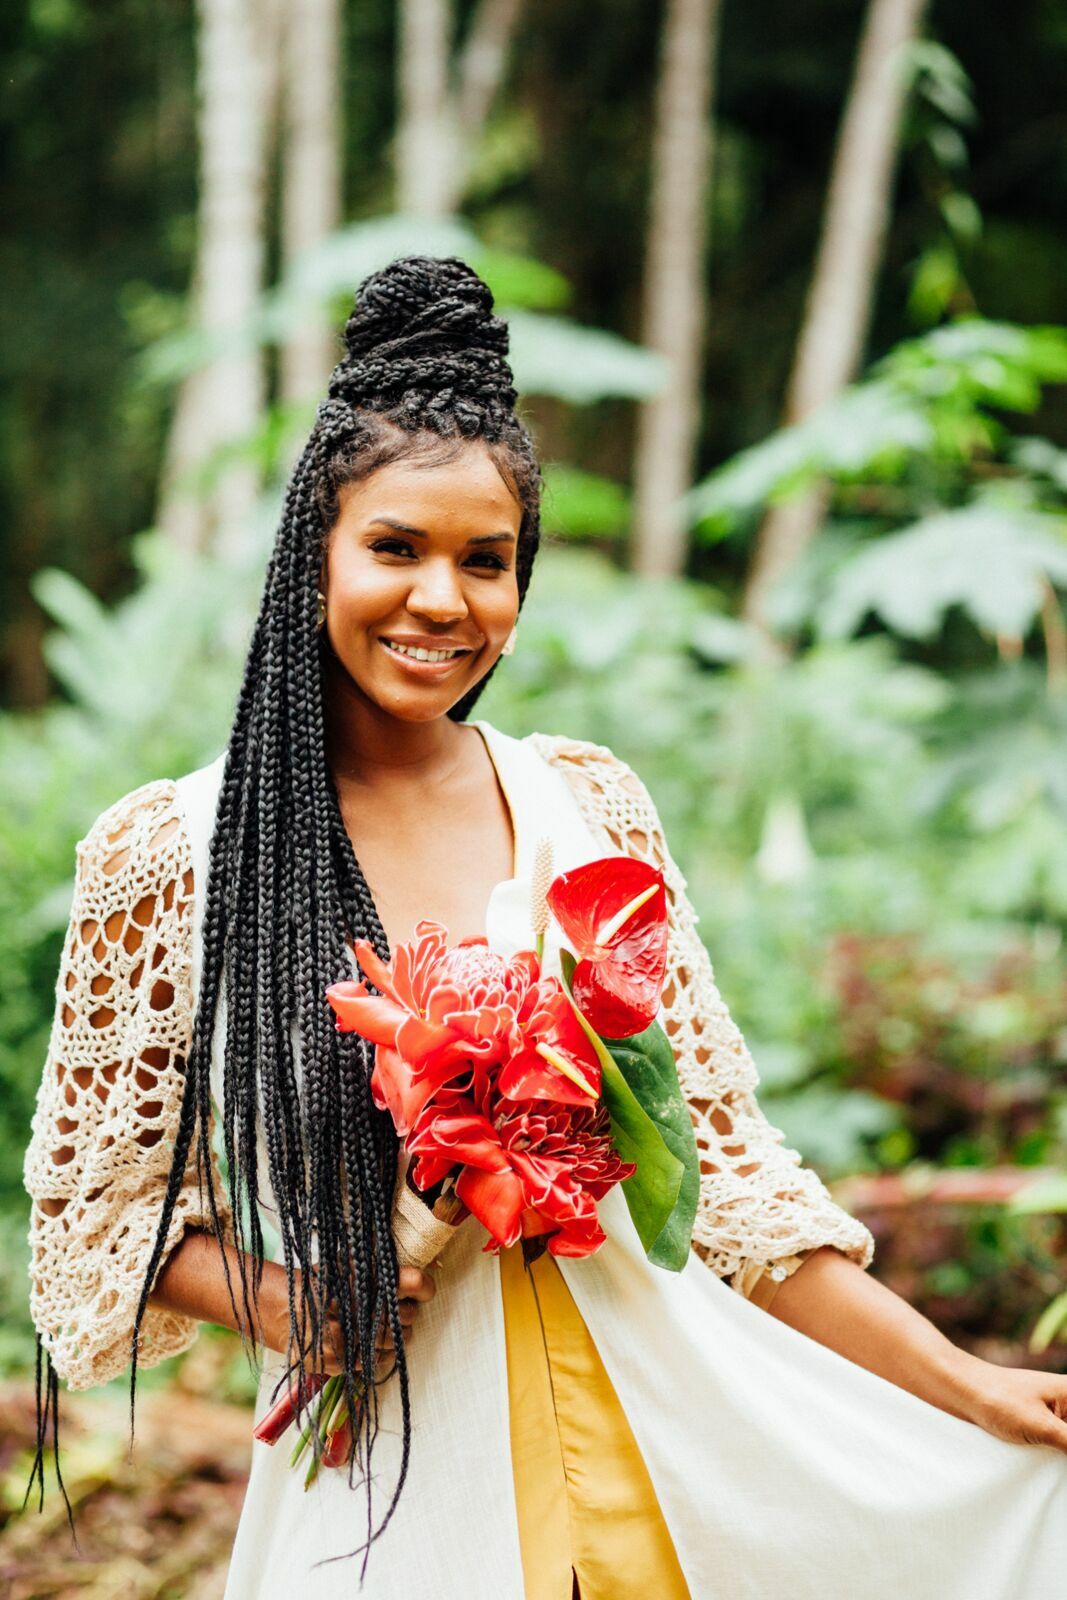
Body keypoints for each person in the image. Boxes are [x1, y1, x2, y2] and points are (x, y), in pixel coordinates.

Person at [23, 256, 1067, 1600]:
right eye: (395, 547)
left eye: (487, 561)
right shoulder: (172, 853)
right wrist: (291, 1300)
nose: (442, 600)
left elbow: (733, 1188)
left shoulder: (588, 806)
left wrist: (970, 1384)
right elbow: (95, 1228)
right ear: (311, 556)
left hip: (680, 1457)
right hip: (394, 1493)